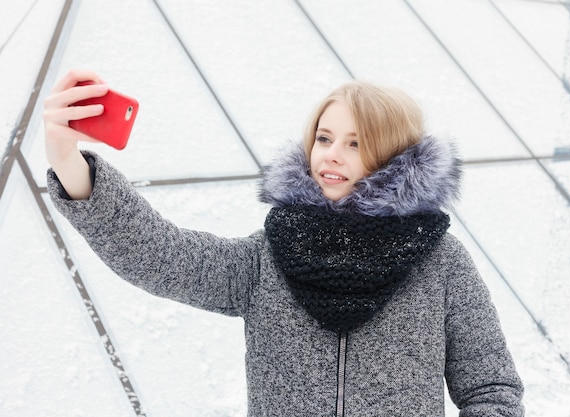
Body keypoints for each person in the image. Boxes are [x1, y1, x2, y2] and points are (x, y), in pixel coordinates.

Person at [44, 69, 524, 416]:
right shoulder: (268, 259)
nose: (331, 155)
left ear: (394, 156)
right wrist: (69, 163)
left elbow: (492, 391)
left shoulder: (440, 264)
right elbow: (162, 256)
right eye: (324, 138)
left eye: (355, 143)